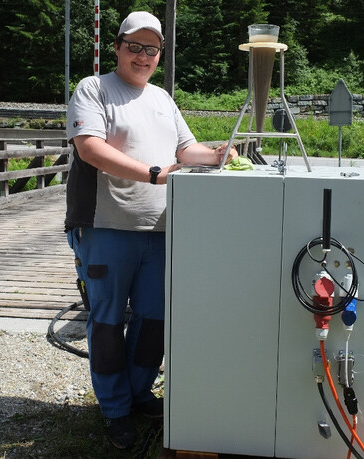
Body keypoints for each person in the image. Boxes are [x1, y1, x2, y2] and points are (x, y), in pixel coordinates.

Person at [64, 10, 237, 450]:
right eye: (135, 46)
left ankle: (140, 394)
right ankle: (115, 410)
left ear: (160, 53)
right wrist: (155, 173)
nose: (143, 56)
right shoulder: (93, 88)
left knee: (155, 319)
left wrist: (218, 153)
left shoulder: (162, 98)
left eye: (152, 49)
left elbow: (186, 148)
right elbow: (90, 150)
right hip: (104, 226)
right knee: (105, 322)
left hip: (161, 229)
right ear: (118, 47)